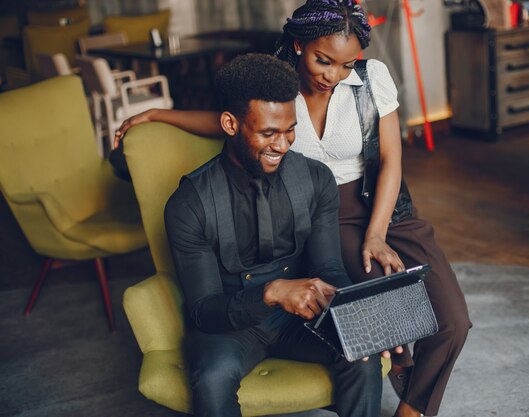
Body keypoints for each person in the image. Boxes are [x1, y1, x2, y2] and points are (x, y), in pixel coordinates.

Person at [118, 1, 471, 416]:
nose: (333, 75)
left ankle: (411, 409)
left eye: (345, 64)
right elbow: (230, 120)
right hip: (284, 254)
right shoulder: (271, 93)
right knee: (219, 375)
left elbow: (388, 167)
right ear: (301, 45)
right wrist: (160, 114)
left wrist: (373, 261)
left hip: (379, 206)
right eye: (324, 60)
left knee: (435, 325)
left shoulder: (359, 95)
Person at [164, 53, 384, 417]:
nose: (283, 145)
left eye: (289, 130)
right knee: (213, 376)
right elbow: (204, 312)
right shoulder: (189, 204)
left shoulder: (316, 179)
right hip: (230, 324)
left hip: (303, 316)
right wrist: (269, 294)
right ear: (230, 124)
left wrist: (358, 317)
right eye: (268, 133)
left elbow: (329, 266)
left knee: (362, 353)